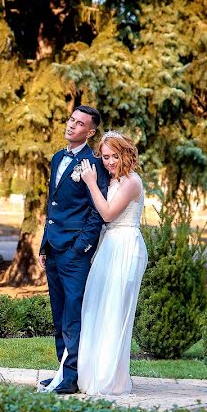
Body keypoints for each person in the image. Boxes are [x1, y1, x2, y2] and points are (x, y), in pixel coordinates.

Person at [42, 130, 148, 397]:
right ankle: (83, 372)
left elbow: (108, 213)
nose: (109, 162)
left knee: (114, 310)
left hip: (124, 247)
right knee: (96, 309)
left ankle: (108, 377)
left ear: (126, 154)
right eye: (105, 157)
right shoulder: (113, 179)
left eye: (114, 156)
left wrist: (90, 181)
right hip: (108, 247)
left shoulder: (132, 182)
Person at [37, 105, 111, 395]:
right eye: (71, 120)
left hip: (74, 252)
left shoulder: (93, 163)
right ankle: (61, 372)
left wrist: (82, 247)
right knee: (58, 313)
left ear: (90, 132)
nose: (72, 126)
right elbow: (52, 203)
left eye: (80, 124)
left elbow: (97, 211)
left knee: (73, 313)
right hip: (53, 248)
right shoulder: (57, 157)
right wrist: (44, 243)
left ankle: (72, 377)